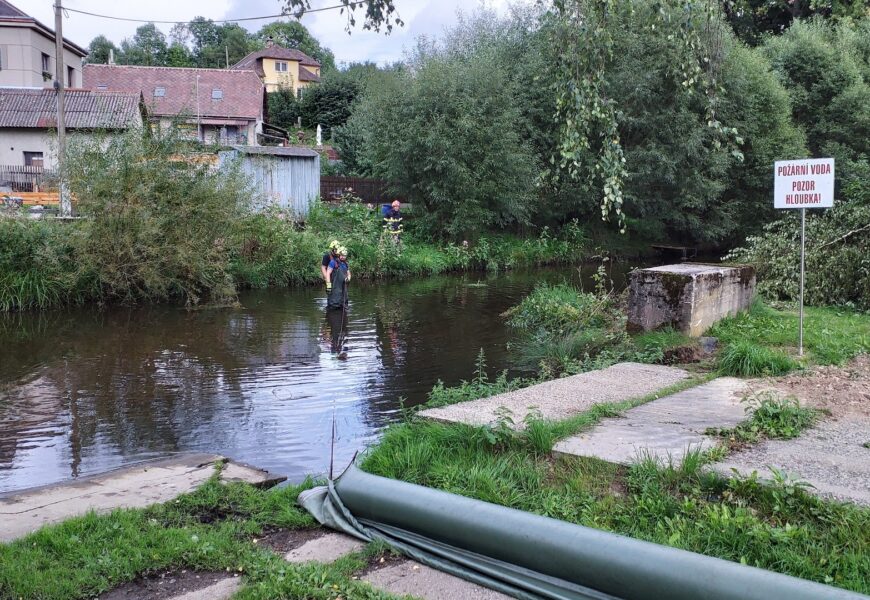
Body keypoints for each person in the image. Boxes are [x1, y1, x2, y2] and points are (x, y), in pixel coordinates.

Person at [326, 246, 351, 311]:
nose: (343, 257)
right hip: (334, 287)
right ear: (338, 254)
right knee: (333, 306)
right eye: (342, 255)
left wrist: (348, 278)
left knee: (344, 306)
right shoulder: (333, 262)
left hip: (343, 288)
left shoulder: (346, 264)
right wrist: (328, 286)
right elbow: (328, 273)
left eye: (344, 256)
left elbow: (349, 274)